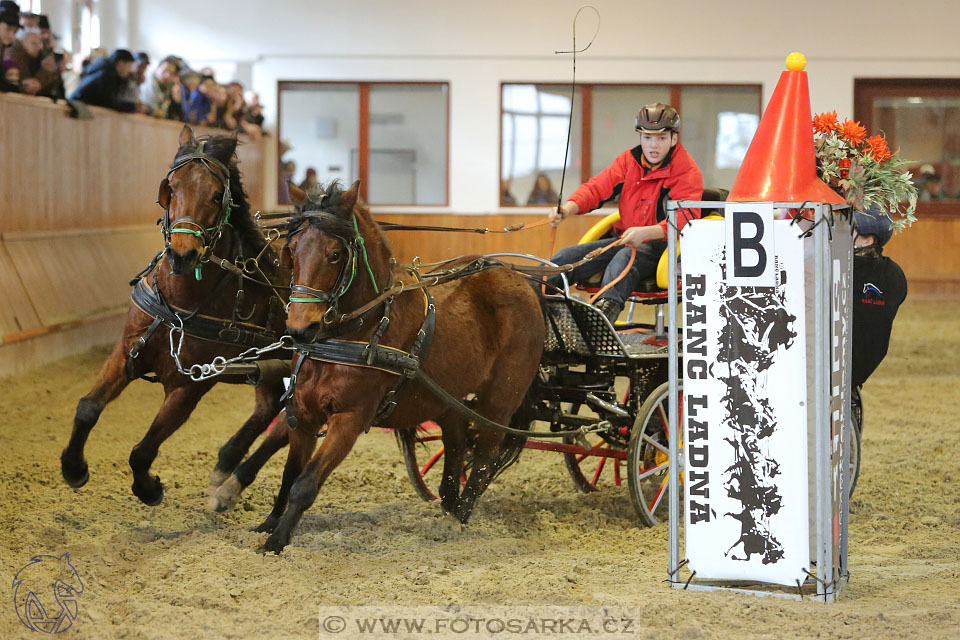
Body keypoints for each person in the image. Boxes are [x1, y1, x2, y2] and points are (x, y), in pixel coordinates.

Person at [546, 102, 704, 323]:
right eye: (647, 137)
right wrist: (568, 208)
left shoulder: (687, 171)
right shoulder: (628, 161)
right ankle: (540, 309)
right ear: (640, 137)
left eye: (661, 138)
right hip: (627, 240)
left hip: (663, 246)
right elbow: (596, 188)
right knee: (565, 257)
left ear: (674, 139)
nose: (653, 145)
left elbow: (685, 220)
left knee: (624, 257)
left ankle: (600, 321)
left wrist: (646, 232)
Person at [851, 209, 907, 389]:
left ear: (868, 241)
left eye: (851, 230)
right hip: (865, 365)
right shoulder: (895, 274)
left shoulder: (845, 269)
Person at [69, 48, 137, 112]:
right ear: (121, 63)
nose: (129, 70)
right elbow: (109, 103)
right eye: (129, 65)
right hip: (77, 108)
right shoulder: (106, 75)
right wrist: (133, 107)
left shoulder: (105, 71)